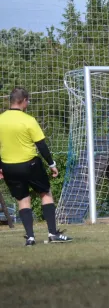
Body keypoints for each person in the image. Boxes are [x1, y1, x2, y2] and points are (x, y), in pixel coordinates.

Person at [0, 87, 73, 246]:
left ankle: (31, 237)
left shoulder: (1, 119)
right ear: (23, 101)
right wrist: (52, 164)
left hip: (9, 167)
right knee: (45, 193)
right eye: (28, 100)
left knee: (22, 199)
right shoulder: (28, 120)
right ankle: (53, 234)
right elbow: (41, 145)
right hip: (29, 164)